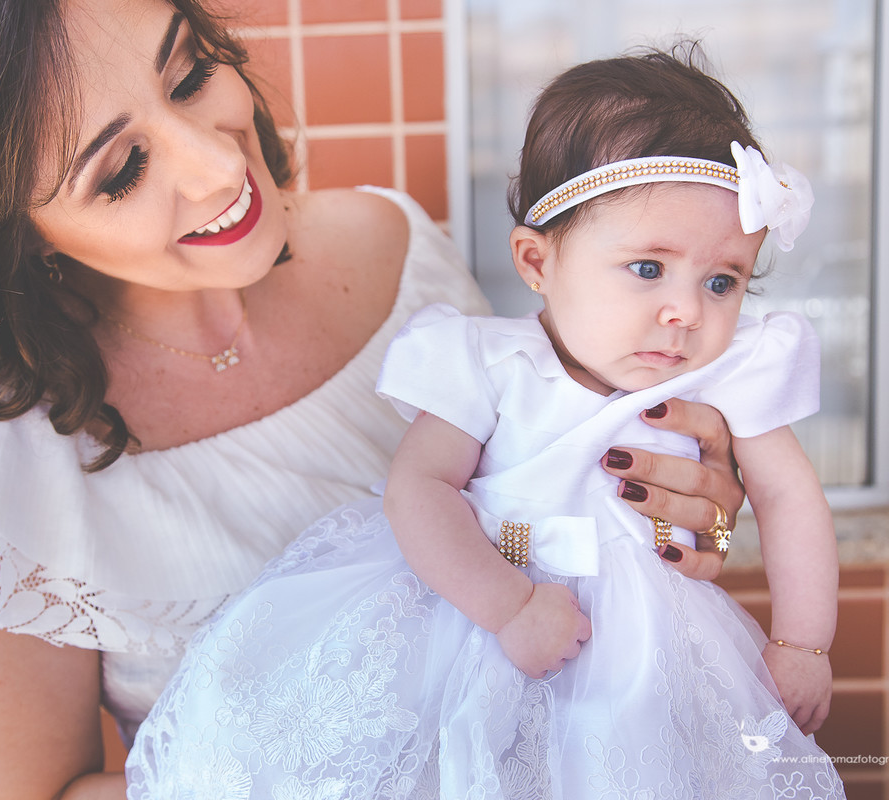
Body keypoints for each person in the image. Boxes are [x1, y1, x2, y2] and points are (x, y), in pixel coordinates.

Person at [0, 0, 746, 795]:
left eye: (186, 78)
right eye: (120, 170)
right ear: (5, 227)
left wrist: (667, 504)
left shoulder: (398, 250)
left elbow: (519, 526)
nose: (221, 167)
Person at [125, 50, 844, 799]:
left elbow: (791, 498)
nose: (686, 311)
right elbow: (419, 489)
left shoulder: (728, 370)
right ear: (537, 260)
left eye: (721, 280)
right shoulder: (487, 363)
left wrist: (803, 642)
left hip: (648, 644)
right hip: (477, 614)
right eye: (647, 268)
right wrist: (509, 606)